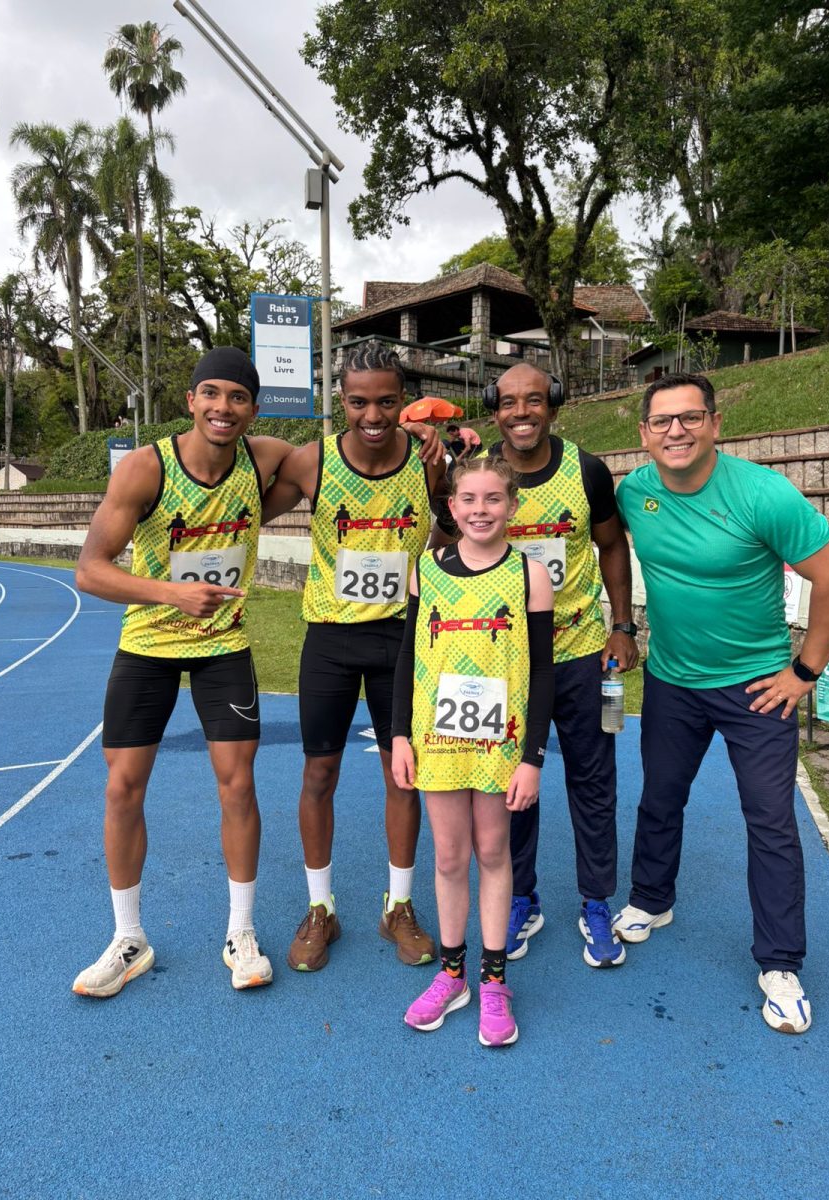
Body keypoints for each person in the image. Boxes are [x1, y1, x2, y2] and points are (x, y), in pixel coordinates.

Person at [613, 373, 829, 1034]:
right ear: (643, 435)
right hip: (672, 682)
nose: (676, 431)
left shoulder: (762, 494)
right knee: (660, 797)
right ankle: (650, 899)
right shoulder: (635, 493)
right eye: (662, 421)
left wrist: (805, 670)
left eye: (690, 418)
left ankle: (779, 963)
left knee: (771, 821)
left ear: (715, 424)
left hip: (757, 687)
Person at [72, 346, 297, 997]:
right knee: (123, 787)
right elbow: (91, 568)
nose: (223, 408)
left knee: (237, 784)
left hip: (224, 646)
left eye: (237, 398)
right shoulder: (148, 468)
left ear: (253, 409)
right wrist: (172, 594)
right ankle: (127, 939)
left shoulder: (264, 461)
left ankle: (241, 931)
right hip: (148, 644)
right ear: (191, 400)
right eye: (213, 394)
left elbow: (337, 460)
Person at [261, 340, 452, 972]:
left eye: (387, 401)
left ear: (404, 401)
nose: (373, 415)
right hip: (330, 640)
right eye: (358, 402)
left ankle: (399, 906)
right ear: (339, 401)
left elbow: (451, 531)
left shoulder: (428, 462)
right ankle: (322, 909)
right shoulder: (312, 463)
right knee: (319, 774)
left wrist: (448, 465)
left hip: (401, 639)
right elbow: (246, 509)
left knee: (405, 774)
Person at [392, 457, 555, 1045]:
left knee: (493, 851)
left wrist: (533, 756)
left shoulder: (529, 575)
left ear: (512, 506)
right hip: (437, 739)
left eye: (493, 499)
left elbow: (542, 671)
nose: (480, 509)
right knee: (447, 857)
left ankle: (493, 980)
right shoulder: (425, 568)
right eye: (468, 499)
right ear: (451, 506)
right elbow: (407, 657)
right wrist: (400, 736)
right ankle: (453, 975)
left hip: (499, 742)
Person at [485, 363, 638, 968]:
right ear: (495, 411)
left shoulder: (586, 470)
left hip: (578, 655)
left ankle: (596, 903)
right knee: (511, 789)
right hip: (505, 662)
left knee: (592, 782)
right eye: (508, 403)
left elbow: (610, 545)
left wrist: (622, 626)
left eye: (533, 401)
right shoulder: (484, 475)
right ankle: (521, 897)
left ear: (552, 405)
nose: (521, 413)